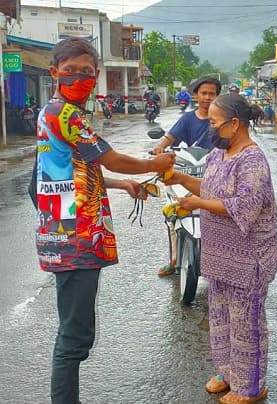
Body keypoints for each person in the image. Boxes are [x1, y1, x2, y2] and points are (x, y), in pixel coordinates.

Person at [35, 37, 176, 404]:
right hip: (75, 235)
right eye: (70, 72)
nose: (79, 78)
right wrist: (152, 165)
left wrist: (121, 183)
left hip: (63, 230)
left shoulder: (53, 113)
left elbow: (66, 173)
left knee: (74, 331)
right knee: (74, 337)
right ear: (55, 73)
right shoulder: (65, 114)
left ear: (96, 76)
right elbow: (109, 158)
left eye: (86, 73)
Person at [162, 94, 277, 403]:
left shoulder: (253, 159)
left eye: (214, 123)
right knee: (221, 318)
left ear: (235, 124)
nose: (210, 129)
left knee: (247, 322)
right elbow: (208, 188)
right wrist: (179, 178)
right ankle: (229, 372)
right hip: (220, 256)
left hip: (248, 258)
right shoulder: (219, 153)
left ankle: (251, 387)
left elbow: (246, 206)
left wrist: (198, 204)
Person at [152, 76, 222, 276]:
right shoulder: (188, 119)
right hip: (190, 170)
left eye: (212, 94)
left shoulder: (222, 120)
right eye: (204, 93)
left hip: (215, 174)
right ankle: (174, 259)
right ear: (196, 95)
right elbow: (169, 137)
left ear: (218, 96)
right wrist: (160, 147)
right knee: (173, 212)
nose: (208, 97)